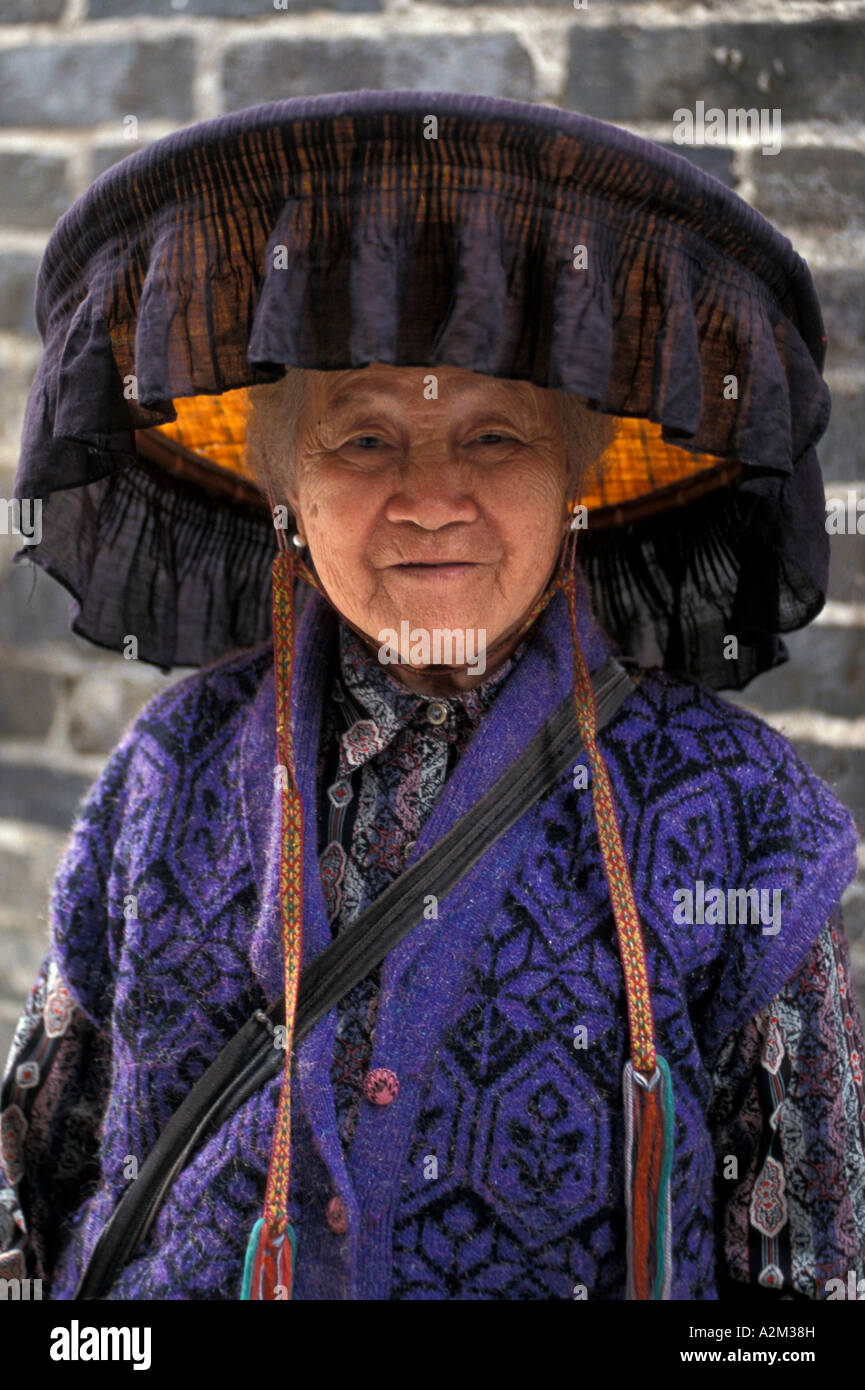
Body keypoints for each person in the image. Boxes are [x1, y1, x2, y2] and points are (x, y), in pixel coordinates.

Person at [1, 90, 863, 1301]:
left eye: (496, 437)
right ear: (284, 482)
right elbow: (34, 1181)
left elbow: (811, 1277)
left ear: (573, 471)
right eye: (361, 441)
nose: (431, 497)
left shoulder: (736, 814)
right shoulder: (170, 764)